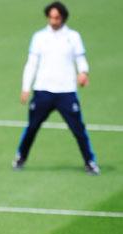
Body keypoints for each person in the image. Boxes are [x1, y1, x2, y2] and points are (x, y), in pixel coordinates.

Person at [13, 1, 99, 175]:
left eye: (57, 17)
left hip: (66, 92)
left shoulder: (73, 37)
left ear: (63, 18)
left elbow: (80, 58)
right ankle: (20, 157)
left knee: (78, 130)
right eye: (51, 17)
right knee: (32, 127)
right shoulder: (39, 37)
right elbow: (31, 64)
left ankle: (90, 162)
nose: (53, 21)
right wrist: (25, 87)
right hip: (43, 90)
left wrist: (83, 72)